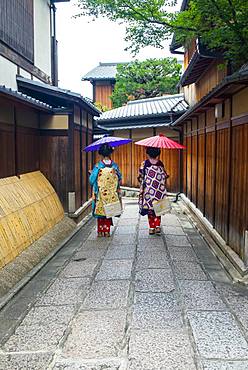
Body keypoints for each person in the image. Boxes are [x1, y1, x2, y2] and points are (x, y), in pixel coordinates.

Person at [89, 143, 122, 237]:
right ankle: (107, 231)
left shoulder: (98, 166)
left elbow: (92, 180)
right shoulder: (114, 166)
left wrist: (92, 174)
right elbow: (119, 177)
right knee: (109, 210)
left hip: (100, 192)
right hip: (111, 193)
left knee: (100, 211)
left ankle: (100, 231)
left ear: (101, 153)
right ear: (111, 152)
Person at [138, 147, 169, 235]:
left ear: (147, 154)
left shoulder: (144, 164)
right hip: (159, 190)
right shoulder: (160, 163)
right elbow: (165, 175)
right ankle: (157, 226)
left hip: (148, 190)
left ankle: (151, 228)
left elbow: (141, 175)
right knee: (158, 207)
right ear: (158, 154)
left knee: (150, 209)